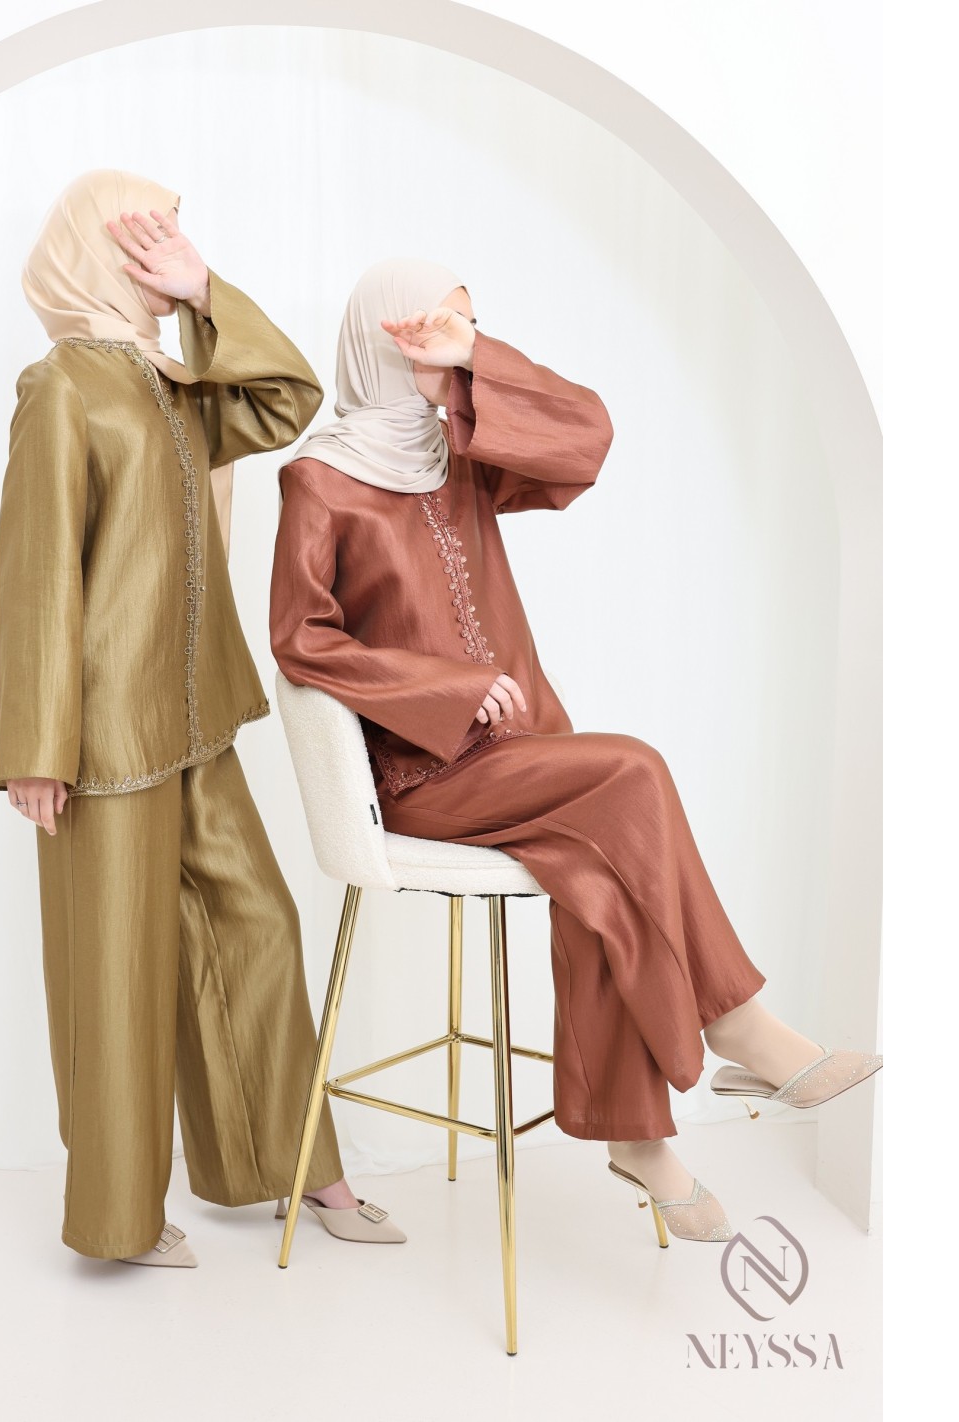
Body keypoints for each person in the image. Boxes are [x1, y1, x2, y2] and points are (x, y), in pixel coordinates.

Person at [269, 258, 882, 1244]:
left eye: (467, 328)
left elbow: (583, 438)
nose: (451, 349)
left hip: (520, 759)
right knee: (632, 769)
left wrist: (474, 361)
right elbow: (301, 640)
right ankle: (738, 1025)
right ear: (380, 338)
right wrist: (448, 690)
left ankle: (638, 1138)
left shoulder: (459, 453)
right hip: (424, 773)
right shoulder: (319, 478)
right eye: (434, 329)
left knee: (598, 875)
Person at [0, 172, 403, 1268]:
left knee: (257, 926)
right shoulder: (60, 386)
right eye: (148, 232)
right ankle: (118, 1219)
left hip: (196, 719)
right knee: (117, 976)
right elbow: (37, 571)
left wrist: (205, 290)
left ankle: (296, 1166)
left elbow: (287, 399)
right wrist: (35, 748)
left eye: (175, 232)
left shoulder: (178, 385)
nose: (167, 246)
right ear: (95, 248)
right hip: (99, 740)